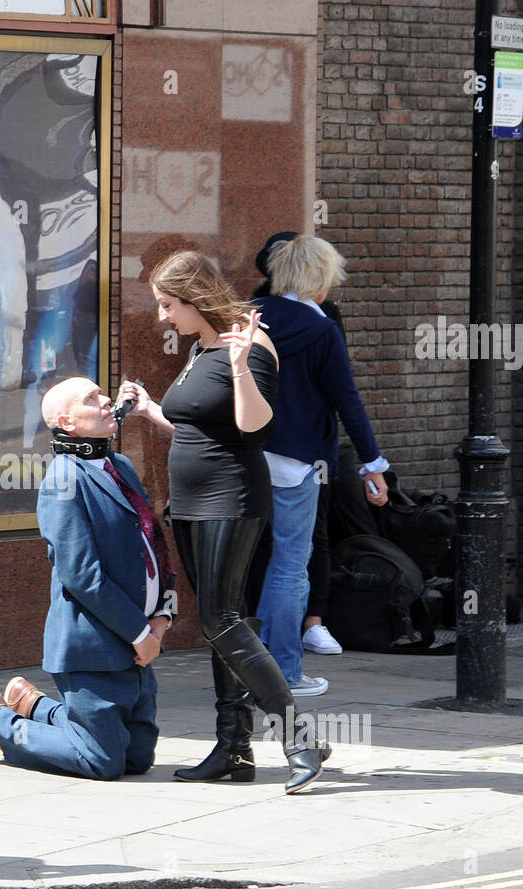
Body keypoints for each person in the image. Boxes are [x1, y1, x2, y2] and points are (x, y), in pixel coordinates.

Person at [123, 250, 331, 792]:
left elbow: (255, 427)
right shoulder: (203, 345)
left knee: (223, 621)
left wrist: (240, 366)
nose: (163, 316)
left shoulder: (249, 344)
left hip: (231, 498)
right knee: (221, 622)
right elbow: (197, 425)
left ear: (195, 298)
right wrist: (149, 410)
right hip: (191, 503)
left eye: (168, 305)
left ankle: (299, 737)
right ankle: (234, 749)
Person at [0, 377, 174, 780]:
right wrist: (139, 634)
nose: (106, 400)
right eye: (91, 399)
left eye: (102, 394)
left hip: (138, 643)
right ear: (67, 422)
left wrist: (161, 619)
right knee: (102, 761)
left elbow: (154, 544)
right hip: (93, 647)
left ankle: (34, 705)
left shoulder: (120, 466)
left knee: (137, 758)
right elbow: (81, 575)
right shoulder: (63, 478)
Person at [250, 235, 389, 696]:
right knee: (290, 564)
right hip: (297, 460)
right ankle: (284, 673)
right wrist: (372, 464)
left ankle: (249, 669)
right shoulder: (322, 328)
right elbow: (347, 400)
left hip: (243, 456)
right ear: (319, 277)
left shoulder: (247, 317)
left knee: (242, 561)